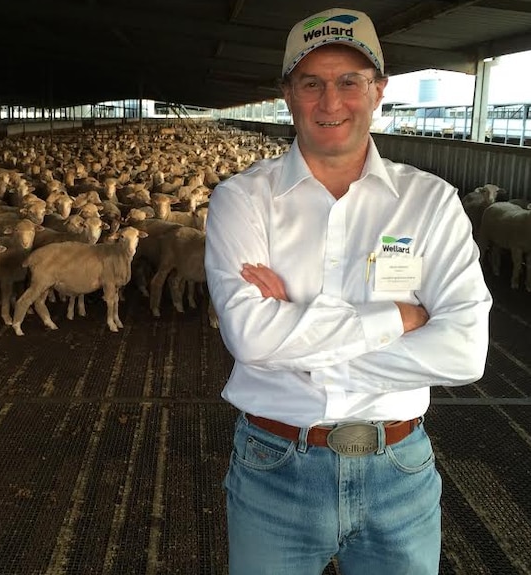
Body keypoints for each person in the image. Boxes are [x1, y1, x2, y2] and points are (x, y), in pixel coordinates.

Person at [204, 7, 492, 575]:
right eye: (312, 83)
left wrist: (300, 340)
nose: (330, 102)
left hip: (400, 470)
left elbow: (465, 351)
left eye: (349, 82)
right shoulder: (242, 199)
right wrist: (401, 317)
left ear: (378, 90)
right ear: (288, 93)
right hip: (274, 468)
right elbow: (251, 339)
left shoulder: (430, 202)